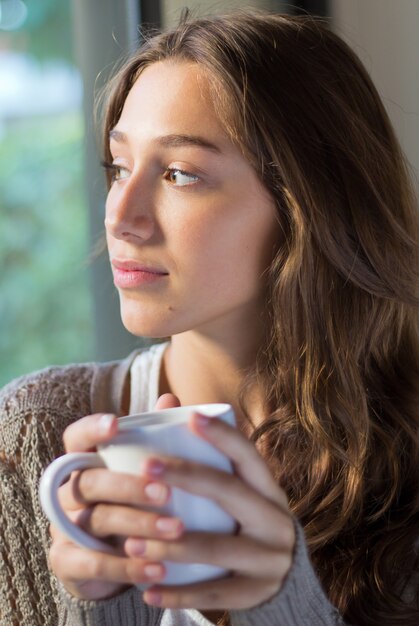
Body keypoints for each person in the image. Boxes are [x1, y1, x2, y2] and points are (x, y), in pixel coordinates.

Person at [0, 9, 418, 626]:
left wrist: (281, 604)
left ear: (310, 207)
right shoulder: (33, 437)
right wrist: (107, 608)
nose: (119, 215)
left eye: (179, 173)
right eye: (119, 168)